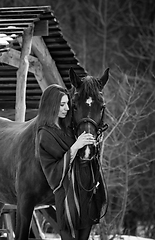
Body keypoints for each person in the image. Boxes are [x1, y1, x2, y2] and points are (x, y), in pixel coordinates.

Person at [35, 84, 107, 240]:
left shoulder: (68, 128)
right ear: (51, 106)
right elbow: (54, 171)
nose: (67, 108)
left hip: (84, 190)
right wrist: (76, 146)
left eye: (68, 104)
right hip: (66, 194)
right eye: (62, 105)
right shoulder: (45, 135)